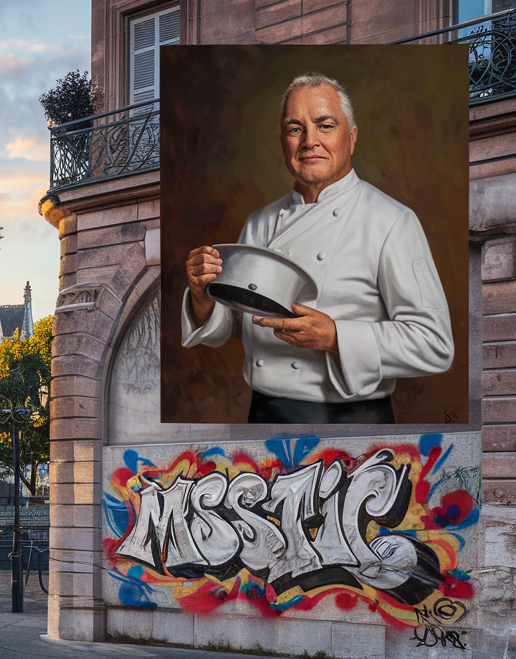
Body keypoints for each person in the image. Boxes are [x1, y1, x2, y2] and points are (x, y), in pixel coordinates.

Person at [182, 72, 453, 424]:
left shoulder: (391, 221)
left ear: (351, 138)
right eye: (295, 129)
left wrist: (336, 336)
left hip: (351, 420)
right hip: (263, 414)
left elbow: (434, 343)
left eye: (325, 125)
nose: (310, 141)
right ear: (283, 142)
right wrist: (202, 299)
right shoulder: (259, 222)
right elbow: (236, 324)